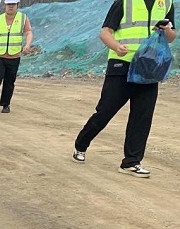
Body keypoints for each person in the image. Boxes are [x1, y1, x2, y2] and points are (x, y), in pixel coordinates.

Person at [72, 1, 176, 178]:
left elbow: (171, 37)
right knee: (105, 111)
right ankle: (81, 144)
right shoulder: (124, 2)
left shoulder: (166, 3)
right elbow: (105, 33)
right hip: (122, 65)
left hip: (148, 67)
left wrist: (167, 30)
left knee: (142, 117)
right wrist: (116, 46)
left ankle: (131, 162)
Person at [0, 0, 33, 115]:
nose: (11, 6)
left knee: (9, 82)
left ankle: (5, 105)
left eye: (13, 4)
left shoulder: (23, 18)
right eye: (9, 4)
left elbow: (28, 32)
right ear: (5, 5)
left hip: (14, 57)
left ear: (17, 5)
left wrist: (27, 45)